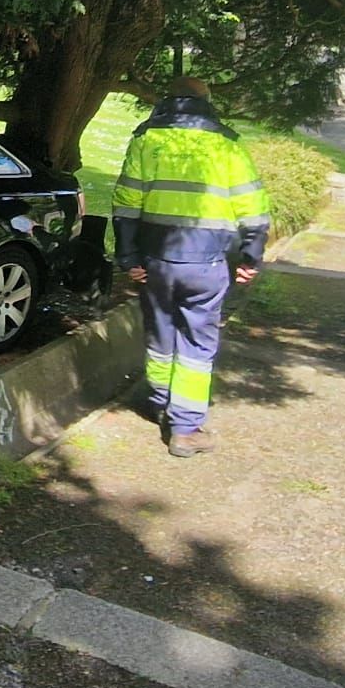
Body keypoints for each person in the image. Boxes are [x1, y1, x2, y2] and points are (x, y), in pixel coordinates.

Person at [112, 77, 271, 458]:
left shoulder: (145, 139)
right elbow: (253, 206)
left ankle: (159, 402)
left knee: (161, 334)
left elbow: (126, 202)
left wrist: (129, 258)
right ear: (206, 101)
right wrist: (250, 257)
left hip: (155, 261)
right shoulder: (227, 143)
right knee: (198, 341)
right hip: (207, 263)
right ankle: (185, 428)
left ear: (168, 100)